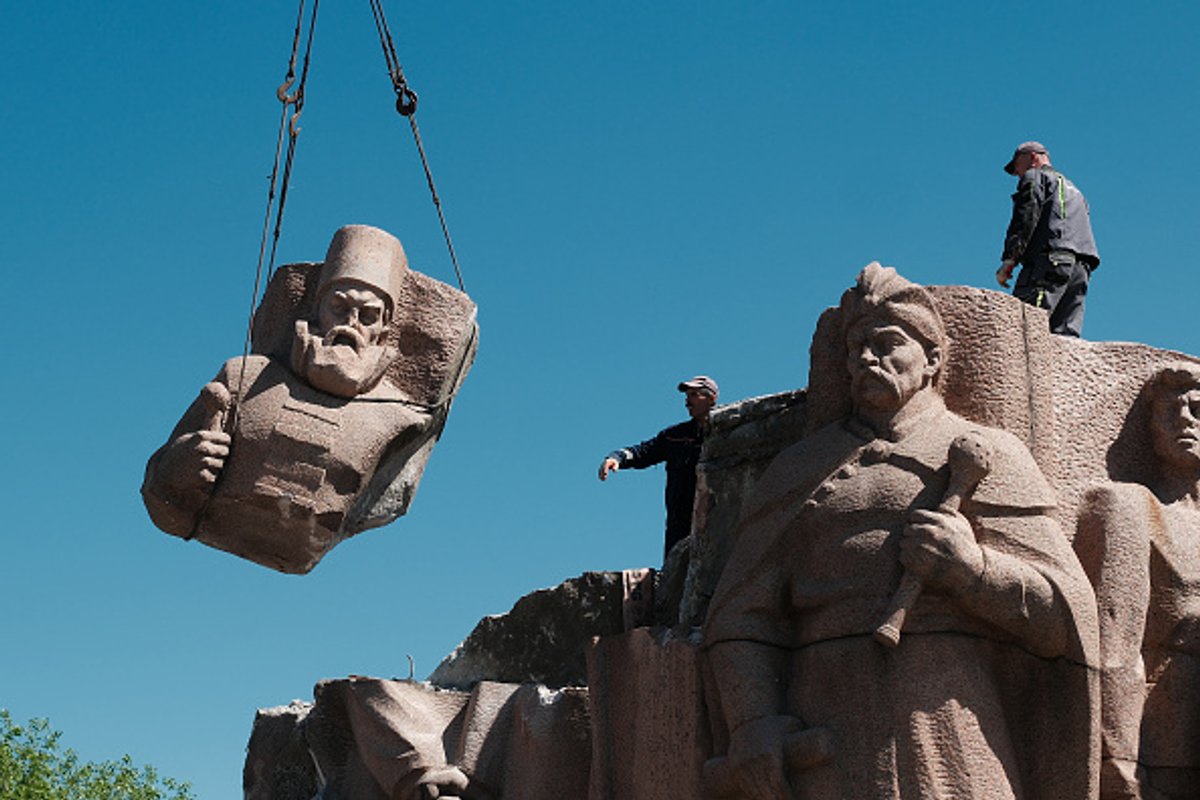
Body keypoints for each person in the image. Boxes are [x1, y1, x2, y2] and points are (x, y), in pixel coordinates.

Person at [702, 263, 1098, 799]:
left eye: (887, 343)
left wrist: (973, 572)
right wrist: (753, 722)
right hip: (823, 727)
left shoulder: (990, 453)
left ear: (932, 359)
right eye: (855, 348)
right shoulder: (799, 468)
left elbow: (1065, 615)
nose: (867, 358)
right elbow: (740, 616)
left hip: (948, 720)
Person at [142, 224, 459, 573]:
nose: (350, 324)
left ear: (384, 331)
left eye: (367, 316)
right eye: (338, 307)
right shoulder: (244, 377)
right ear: (315, 311)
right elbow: (161, 498)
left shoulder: (400, 417)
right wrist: (180, 466)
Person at [1077, 363, 1200, 799]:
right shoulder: (1129, 507)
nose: (1184, 420)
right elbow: (1115, 641)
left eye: (1198, 410)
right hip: (1165, 743)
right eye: (1169, 411)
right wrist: (1117, 757)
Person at [598, 376, 718, 561]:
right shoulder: (674, 436)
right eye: (687, 396)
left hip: (715, 520)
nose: (687, 401)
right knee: (675, 573)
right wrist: (616, 458)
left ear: (711, 398)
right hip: (679, 525)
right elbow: (643, 452)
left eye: (694, 395)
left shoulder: (726, 432)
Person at [996, 141, 1100, 337]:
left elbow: (1026, 215)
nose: (1017, 173)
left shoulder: (1035, 176)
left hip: (1049, 262)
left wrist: (1010, 259)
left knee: (1026, 326)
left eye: (1017, 165)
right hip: (1081, 267)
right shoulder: (1074, 190)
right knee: (1065, 335)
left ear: (1033, 157)